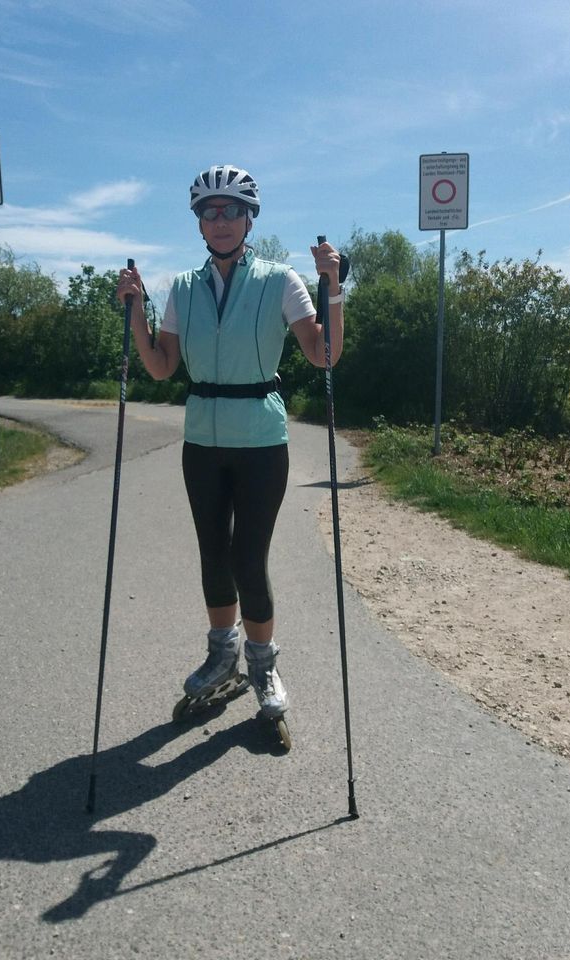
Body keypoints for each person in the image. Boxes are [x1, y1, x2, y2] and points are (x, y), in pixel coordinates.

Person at [116, 164, 344, 722]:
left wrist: (333, 288)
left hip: (262, 440)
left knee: (248, 558)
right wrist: (137, 310)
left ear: (249, 218)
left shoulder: (279, 280)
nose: (220, 221)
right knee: (213, 555)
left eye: (231, 210)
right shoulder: (184, 289)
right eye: (209, 212)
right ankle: (223, 656)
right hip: (203, 440)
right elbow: (163, 367)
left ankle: (262, 664)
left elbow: (324, 354)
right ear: (199, 224)